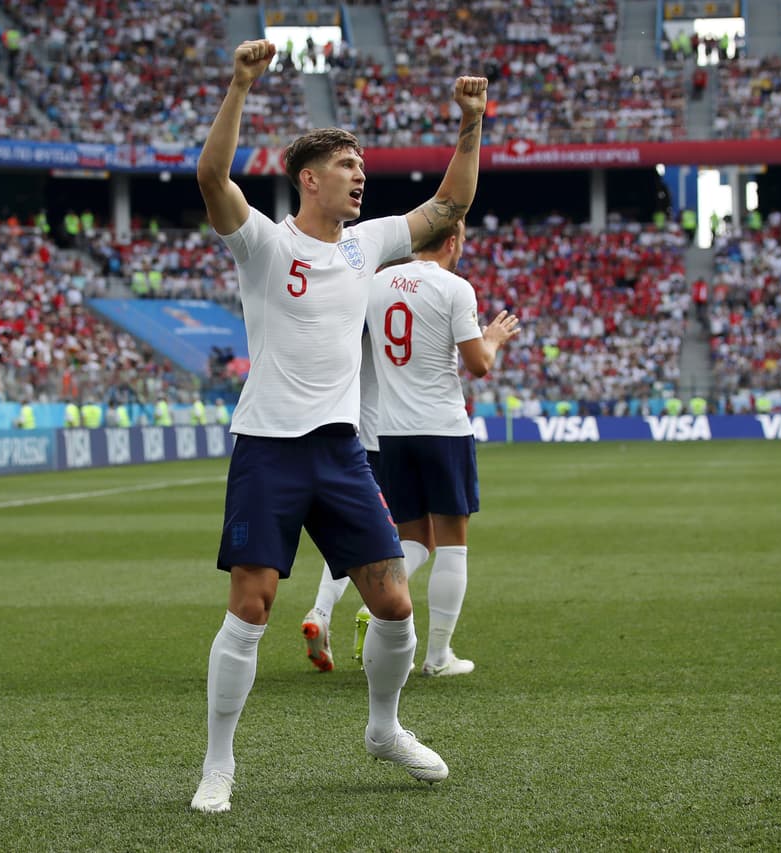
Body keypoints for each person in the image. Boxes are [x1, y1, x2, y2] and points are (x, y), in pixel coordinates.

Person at [190, 38, 487, 814]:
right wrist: (239, 86)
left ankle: (384, 728)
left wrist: (471, 124)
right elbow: (212, 178)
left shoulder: (367, 244)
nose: (360, 176)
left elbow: (449, 206)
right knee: (252, 603)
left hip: (341, 450)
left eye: (362, 166)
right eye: (346, 166)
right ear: (309, 179)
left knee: (393, 602)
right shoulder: (265, 243)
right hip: (268, 448)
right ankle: (218, 764)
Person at [365, 220, 518, 676]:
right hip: (442, 428)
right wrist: (493, 339)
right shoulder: (455, 288)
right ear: (452, 242)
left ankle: (376, 605)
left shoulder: (377, 283)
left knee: (410, 540)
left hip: (391, 431)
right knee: (452, 545)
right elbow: (479, 365)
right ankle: (437, 657)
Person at [300, 334, 386, 673]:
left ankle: (321, 611)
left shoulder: (348, 315)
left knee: (348, 538)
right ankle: (375, 611)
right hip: (390, 434)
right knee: (417, 536)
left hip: (345, 434)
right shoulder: (382, 309)